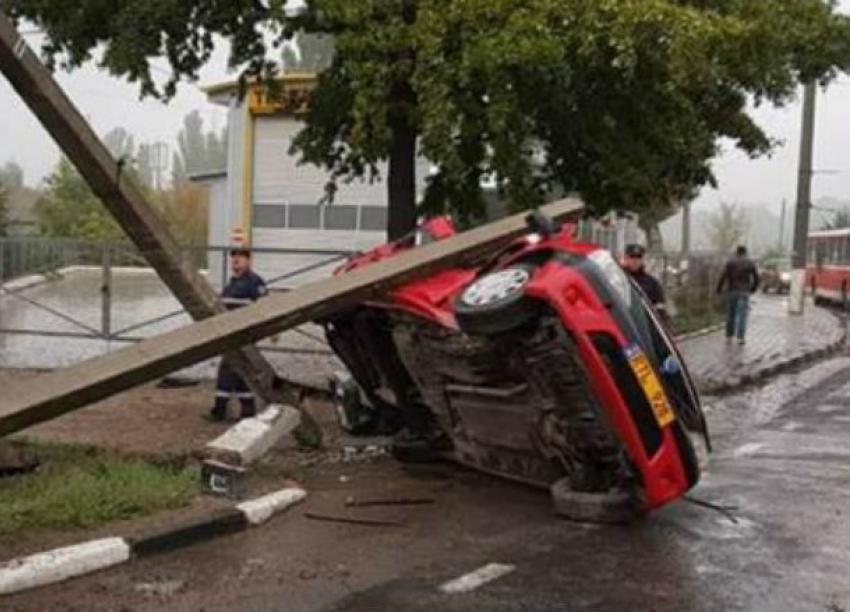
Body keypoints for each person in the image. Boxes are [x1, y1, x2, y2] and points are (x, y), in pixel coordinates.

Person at [209, 248, 269, 421]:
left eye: (240, 258)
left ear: (248, 261)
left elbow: (265, 308)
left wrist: (256, 332)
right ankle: (247, 411)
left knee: (228, 371)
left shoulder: (254, 283)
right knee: (240, 372)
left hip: (243, 335)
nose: (235, 260)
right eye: (233, 257)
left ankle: (221, 410)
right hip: (230, 334)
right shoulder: (232, 283)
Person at [716, 245, 759, 345]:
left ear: (736, 252)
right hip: (744, 291)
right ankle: (740, 338)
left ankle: (729, 336)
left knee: (731, 314)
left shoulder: (731, 262)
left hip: (732, 291)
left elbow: (724, 276)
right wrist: (753, 288)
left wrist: (719, 289)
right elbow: (756, 278)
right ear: (745, 252)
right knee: (742, 315)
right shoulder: (750, 263)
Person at [622, 243, 668, 320]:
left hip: (645, 325)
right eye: (632, 257)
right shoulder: (618, 279)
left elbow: (660, 309)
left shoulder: (652, 283)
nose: (635, 261)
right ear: (625, 258)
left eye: (639, 257)